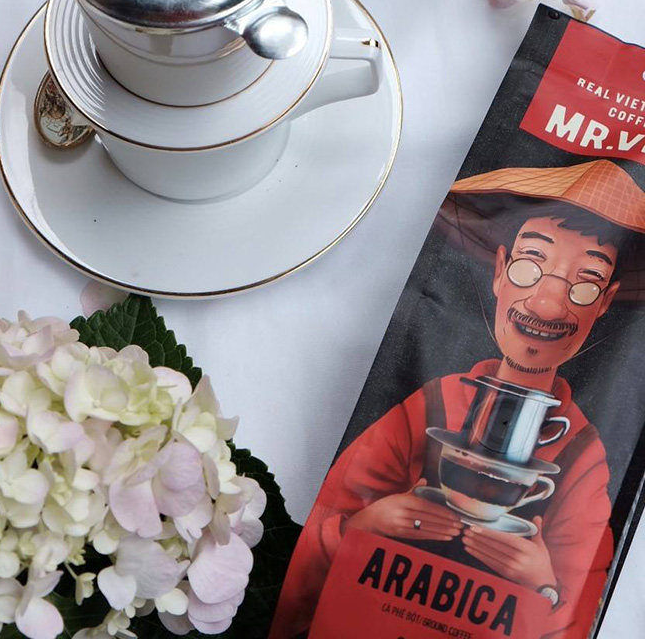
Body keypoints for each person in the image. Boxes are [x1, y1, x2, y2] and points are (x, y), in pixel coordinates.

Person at [269, 161, 645, 639]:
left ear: (605, 301)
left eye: (587, 282)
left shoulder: (582, 454)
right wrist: (362, 525)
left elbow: (580, 605)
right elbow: (305, 573)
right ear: (500, 271)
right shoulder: (428, 405)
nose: (548, 304)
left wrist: (542, 584)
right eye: (531, 265)